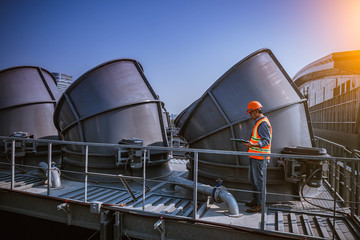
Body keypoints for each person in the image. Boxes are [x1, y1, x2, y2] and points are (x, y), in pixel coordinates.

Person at [242, 101, 272, 213]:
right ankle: (256, 200)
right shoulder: (259, 122)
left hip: (260, 158)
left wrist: (252, 144)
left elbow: (265, 141)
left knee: (259, 182)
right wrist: (251, 143)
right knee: (253, 180)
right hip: (254, 157)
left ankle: (260, 205)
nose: (250, 115)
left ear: (255, 111)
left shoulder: (263, 123)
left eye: (251, 113)